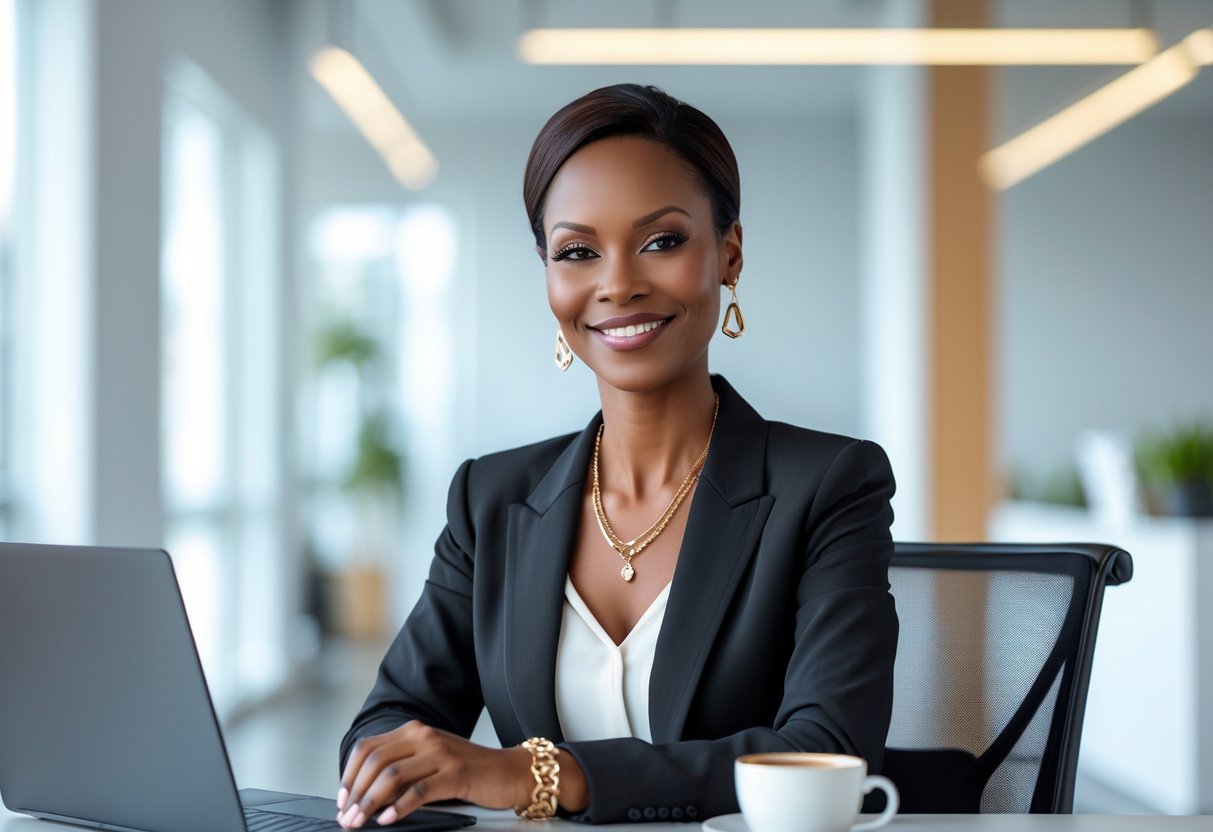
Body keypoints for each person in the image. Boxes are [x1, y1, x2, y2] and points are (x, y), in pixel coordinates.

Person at [336, 83, 898, 827]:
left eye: (661, 241)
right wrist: (387, 768)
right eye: (576, 252)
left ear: (727, 256)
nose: (618, 284)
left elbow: (825, 749)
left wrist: (540, 775)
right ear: (548, 277)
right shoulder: (491, 498)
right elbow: (389, 721)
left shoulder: (826, 486)